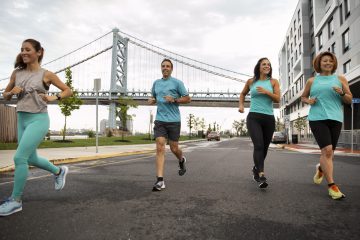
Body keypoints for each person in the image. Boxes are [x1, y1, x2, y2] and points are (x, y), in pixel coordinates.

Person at [0, 39, 72, 216]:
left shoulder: (46, 75)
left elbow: (67, 90)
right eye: (22, 49)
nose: (24, 52)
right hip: (21, 118)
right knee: (30, 159)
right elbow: (5, 96)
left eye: (28, 49)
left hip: (38, 120)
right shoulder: (16, 73)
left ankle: (16, 200)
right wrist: (11, 92)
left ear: (39, 52)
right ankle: (58, 171)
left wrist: (54, 98)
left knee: (19, 158)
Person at [301, 52, 352, 200]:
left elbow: (349, 100)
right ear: (319, 63)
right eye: (325, 61)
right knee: (327, 150)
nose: (328, 63)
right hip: (317, 118)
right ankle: (332, 186)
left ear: (334, 63)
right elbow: (303, 97)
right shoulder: (312, 81)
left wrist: (342, 93)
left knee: (329, 153)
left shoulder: (340, 79)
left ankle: (320, 169)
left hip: (335, 118)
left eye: (330, 61)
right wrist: (308, 101)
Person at [148, 59, 191, 191]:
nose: (165, 68)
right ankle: (160, 180)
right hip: (160, 120)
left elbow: (188, 98)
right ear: (161, 68)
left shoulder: (177, 83)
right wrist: (152, 100)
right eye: (163, 66)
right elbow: (155, 97)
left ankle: (181, 159)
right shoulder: (156, 83)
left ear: (171, 69)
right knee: (160, 146)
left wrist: (174, 99)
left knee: (174, 148)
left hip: (174, 121)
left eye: (168, 66)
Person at [239, 58, 280, 188]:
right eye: (264, 64)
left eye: (268, 64)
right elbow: (242, 94)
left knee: (265, 148)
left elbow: (278, 99)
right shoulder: (251, 81)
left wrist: (267, 92)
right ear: (259, 67)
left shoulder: (273, 82)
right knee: (259, 146)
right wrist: (241, 105)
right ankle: (261, 174)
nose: (267, 66)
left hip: (268, 118)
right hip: (254, 117)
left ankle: (256, 168)